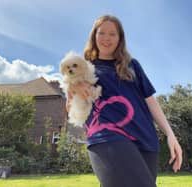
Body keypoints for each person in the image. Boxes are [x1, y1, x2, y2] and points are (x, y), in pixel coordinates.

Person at [66, 15, 182, 187]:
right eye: (102, 33)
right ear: (94, 36)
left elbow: (150, 101)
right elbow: (70, 108)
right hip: (106, 136)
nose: (106, 38)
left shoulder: (132, 65)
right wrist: (73, 86)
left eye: (112, 34)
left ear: (120, 38)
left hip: (145, 139)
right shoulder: (81, 67)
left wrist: (170, 135)